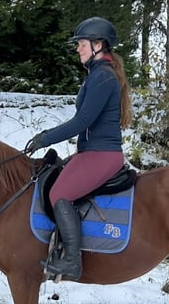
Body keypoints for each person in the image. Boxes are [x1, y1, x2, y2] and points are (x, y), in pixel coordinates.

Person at [25, 16, 132, 281]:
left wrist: (45, 138)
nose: (78, 49)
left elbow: (83, 121)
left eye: (81, 44)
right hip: (92, 151)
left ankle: (72, 262)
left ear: (98, 45)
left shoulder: (103, 77)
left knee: (60, 193)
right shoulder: (98, 75)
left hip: (102, 154)